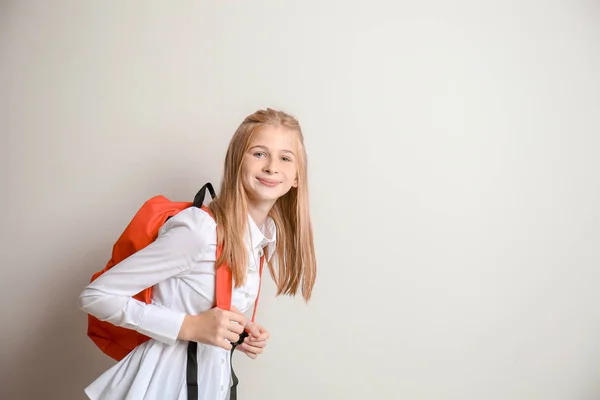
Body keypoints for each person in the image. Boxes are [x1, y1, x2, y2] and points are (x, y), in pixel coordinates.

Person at [78, 108, 317, 400]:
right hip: (159, 389)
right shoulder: (199, 230)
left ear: (296, 178)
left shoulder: (260, 240)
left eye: (285, 157)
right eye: (259, 153)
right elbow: (96, 296)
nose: (271, 167)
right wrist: (189, 326)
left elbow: (198, 303)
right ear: (235, 163)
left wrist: (235, 333)